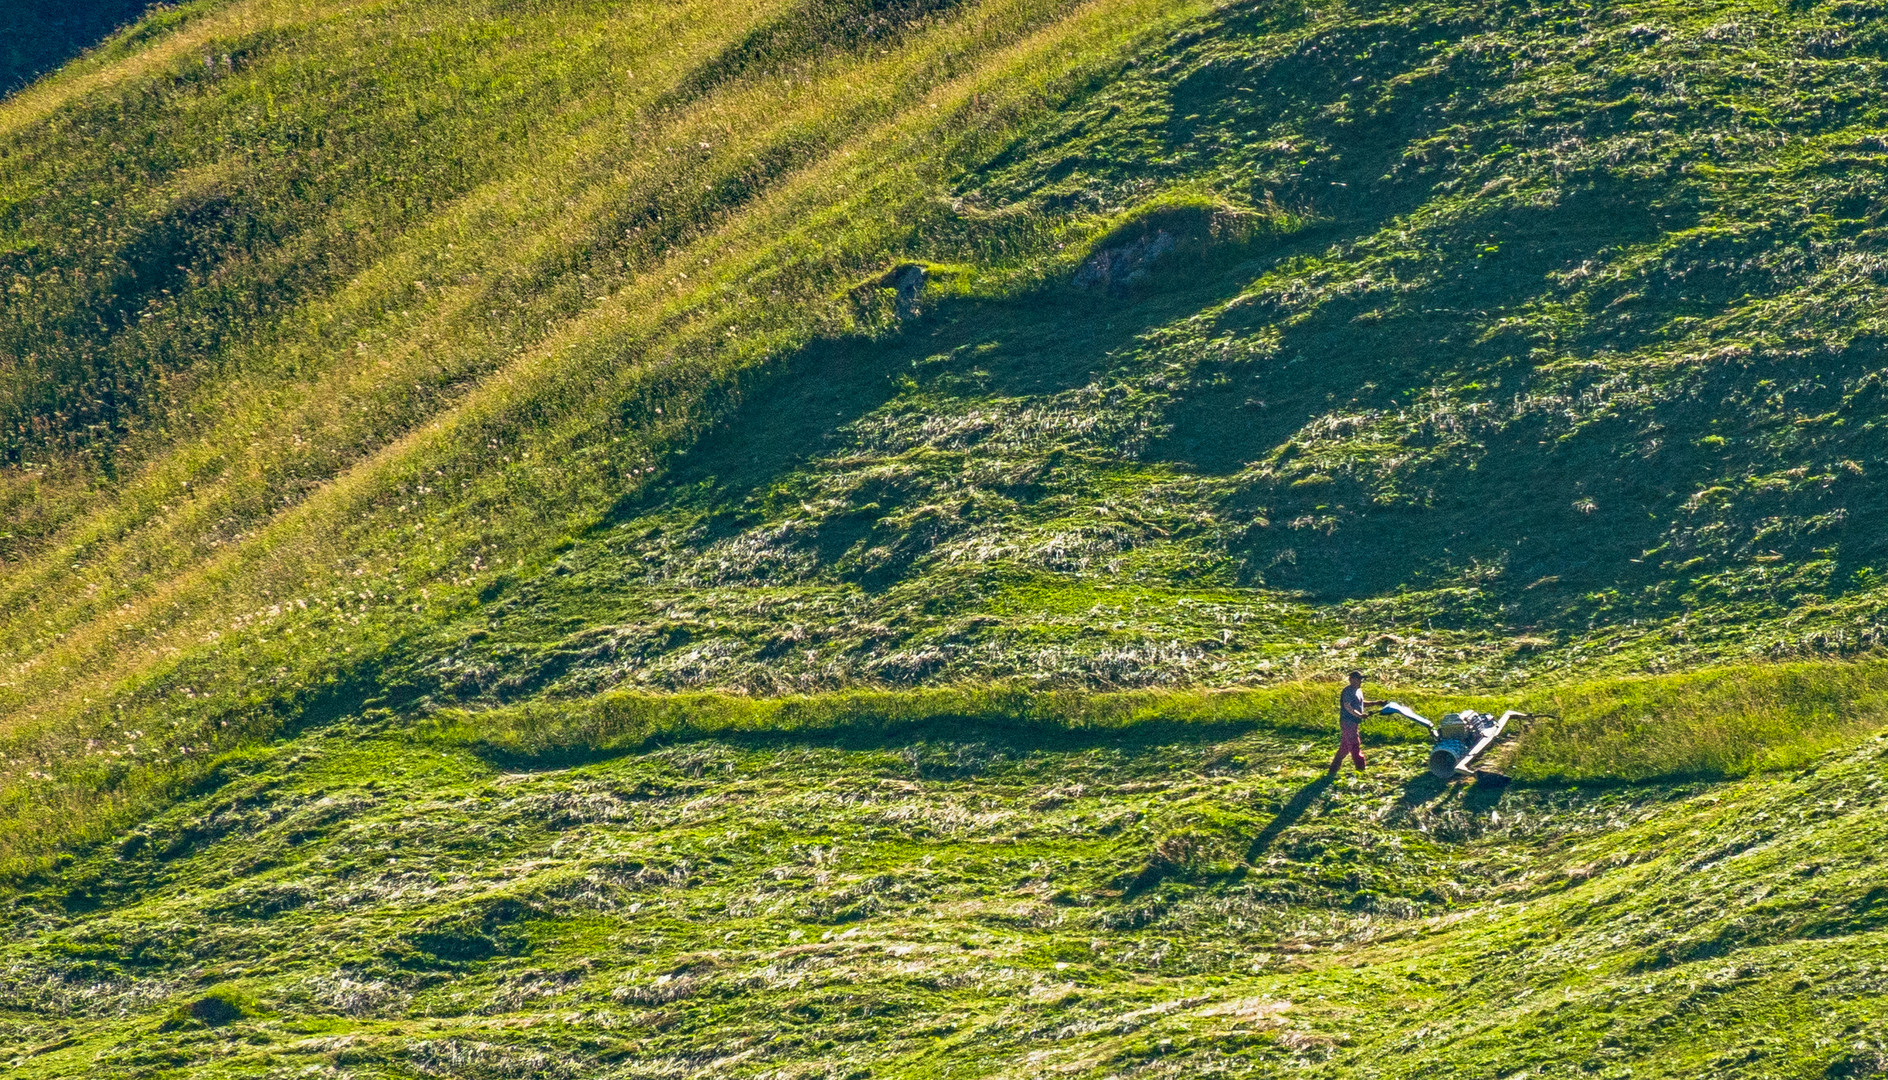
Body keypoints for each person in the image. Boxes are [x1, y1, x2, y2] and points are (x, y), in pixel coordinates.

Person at [1330, 670, 1385, 776]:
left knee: (1345, 747)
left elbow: (1361, 703)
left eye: (1361, 679)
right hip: (1348, 722)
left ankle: (1333, 769)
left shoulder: (1358, 691)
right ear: (1351, 679)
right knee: (1355, 744)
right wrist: (1359, 715)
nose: (1360, 681)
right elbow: (1348, 706)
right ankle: (1361, 769)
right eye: (1358, 679)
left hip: (1354, 722)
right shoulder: (1347, 691)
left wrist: (1376, 703)